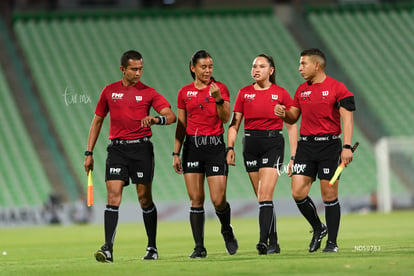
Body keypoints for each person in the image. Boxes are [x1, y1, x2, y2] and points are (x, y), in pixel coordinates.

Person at [84, 50, 176, 262]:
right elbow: (97, 121)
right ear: (122, 69)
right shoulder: (109, 91)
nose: (138, 73)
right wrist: (88, 152)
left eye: (140, 69)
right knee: (113, 195)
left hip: (141, 150)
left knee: (144, 198)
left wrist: (155, 120)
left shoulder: (149, 93)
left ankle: (152, 247)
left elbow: (171, 116)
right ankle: (108, 248)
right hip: (117, 150)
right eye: (134, 69)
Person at [274, 48, 355, 253]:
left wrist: (347, 146)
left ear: (316, 65)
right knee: (297, 192)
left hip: (330, 146)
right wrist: (284, 113)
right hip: (306, 146)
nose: (299, 68)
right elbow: (293, 117)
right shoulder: (301, 90)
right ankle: (319, 227)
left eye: (303, 64)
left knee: (329, 194)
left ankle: (332, 243)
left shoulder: (338, 88)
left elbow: (347, 118)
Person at [227, 54, 298, 255]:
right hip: (249, 145)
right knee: (262, 198)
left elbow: (292, 125)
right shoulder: (243, 93)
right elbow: (234, 124)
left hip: (273, 144)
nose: (256, 69)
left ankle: (263, 241)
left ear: (271, 71)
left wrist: (293, 156)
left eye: (261, 66)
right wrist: (230, 147)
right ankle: (274, 241)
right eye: (254, 66)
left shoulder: (281, 94)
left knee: (265, 195)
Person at [173, 50, 238, 258]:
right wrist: (176, 152)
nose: (208, 70)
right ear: (193, 68)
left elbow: (226, 118)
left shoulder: (220, 89)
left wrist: (218, 99)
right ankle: (199, 247)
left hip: (215, 147)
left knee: (218, 200)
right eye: (203, 67)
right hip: (192, 148)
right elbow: (181, 125)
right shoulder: (184, 92)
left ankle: (226, 229)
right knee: (196, 199)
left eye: (210, 66)